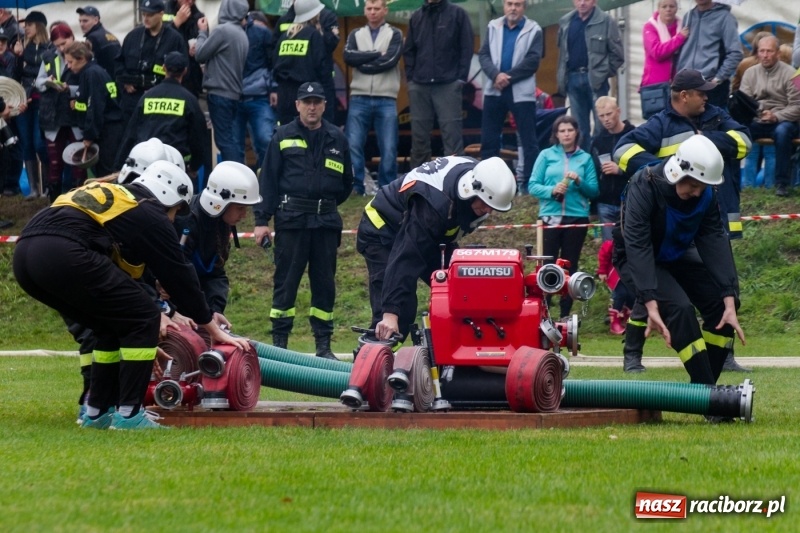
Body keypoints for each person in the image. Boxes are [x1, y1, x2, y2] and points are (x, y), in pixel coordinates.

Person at [13, 160, 249, 430]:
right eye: (175, 212)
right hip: (64, 251)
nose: (172, 219)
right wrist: (210, 326)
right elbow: (179, 275)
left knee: (107, 324)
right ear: (168, 198)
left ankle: (96, 411)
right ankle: (129, 415)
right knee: (146, 317)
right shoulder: (149, 211)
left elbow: (127, 281)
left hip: (26, 256)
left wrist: (150, 334)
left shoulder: (120, 199)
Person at [614, 68, 751, 373]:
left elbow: (715, 241)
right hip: (639, 254)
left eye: (703, 187)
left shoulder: (705, 192)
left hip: (675, 250)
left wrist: (730, 297)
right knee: (678, 308)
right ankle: (697, 386)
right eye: (692, 185)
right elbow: (637, 246)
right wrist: (649, 300)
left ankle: (711, 388)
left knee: (719, 302)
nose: (696, 192)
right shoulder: (646, 183)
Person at [357, 156, 516, 341]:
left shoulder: (481, 178)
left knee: (461, 287)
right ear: (472, 190)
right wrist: (390, 312)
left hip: (433, 234)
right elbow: (407, 256)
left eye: (493, 207)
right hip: (382, 229)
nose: (489, 211)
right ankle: (371, 362)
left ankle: (462, 353)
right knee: (399, 313)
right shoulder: (435, 204)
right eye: (486, 204)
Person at [252, 82, 352, 359]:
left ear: (324, 105)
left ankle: (324, 345)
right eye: (306, 101)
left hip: (325, 224)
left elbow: (347, 183)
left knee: (325, 285)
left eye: (316, 101)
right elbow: (268, 181)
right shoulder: (282, 136)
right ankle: (280, 345)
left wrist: (324, 205)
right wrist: (262, 220)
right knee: (286, 283)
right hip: (292, 222)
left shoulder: (337, 138)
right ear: (297, 105)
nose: (311, 106)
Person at [614, 69, 751, 241]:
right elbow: (621, 150)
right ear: (685, 96)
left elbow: (745, 142)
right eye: (701, 94)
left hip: (718, 219)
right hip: (680, 221)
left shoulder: (716, 116)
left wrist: (704, 138)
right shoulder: (660, 124)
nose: (706, 98)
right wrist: (662, 169)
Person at [528, 115, 598, 319]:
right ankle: (545, 313)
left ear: (577, 133)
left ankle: (565, 315)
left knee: (569, 265)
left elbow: (594, 191)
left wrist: (579, 181)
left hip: (577, 218)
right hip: (550, 216)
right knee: (548, 266)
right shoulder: (545, 155)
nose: (566, 134)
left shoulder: (585, 158)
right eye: (562, 130)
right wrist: (551, 190)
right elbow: (532, 185)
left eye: (570, 130)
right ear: (556, 134)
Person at [174, 161, 261, 323]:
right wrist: (203, 316)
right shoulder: (185, 223)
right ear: (221, 202)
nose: (244, 215)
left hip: (195, 304)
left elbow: (215, 273)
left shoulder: (220, 222)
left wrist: (215, 310)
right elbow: (177, 278)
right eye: (240, 208)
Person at [478, 0, 543, 195]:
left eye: (517, 4)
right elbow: (483, 55)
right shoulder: (493, 26)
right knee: (489, 139)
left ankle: (529, 187)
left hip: (521, 92)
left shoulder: (534, 29)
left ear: (524, 7)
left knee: (528, 140)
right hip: (494, 89)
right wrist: (495, 75)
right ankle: (489, 185)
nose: (513, 8)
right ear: (504, 6)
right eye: (509, 4)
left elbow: (533, 61)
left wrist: (508, 77)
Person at [403, 0, 474, 170]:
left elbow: (467, 47)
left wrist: (460, 78)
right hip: (419, 84)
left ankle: (455, 183)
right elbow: (409, 50)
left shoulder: (458, 14)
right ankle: (418, 185)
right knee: (419, 140)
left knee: (452, 139)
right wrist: (411, 79)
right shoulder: (416, 16)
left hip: (448, 84)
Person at [343, 0, 403, 195]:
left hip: (386, 97)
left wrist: (363, 60)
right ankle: (356, 186)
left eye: (377, 8)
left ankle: (387, 188)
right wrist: (377, 54)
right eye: (369, 8)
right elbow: (348, 58)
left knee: (389, 147)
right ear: (365, 10)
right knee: (353, 145)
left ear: (385, 10)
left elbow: (390, 61)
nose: (373, 12)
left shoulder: (395, 33)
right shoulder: (355, 34)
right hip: (359, 96)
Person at [115, 51, 207, 178]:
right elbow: (199, 139)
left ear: (164, 68)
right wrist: (194, 166)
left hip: (145, 167)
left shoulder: (147, 97)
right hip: (177, 167)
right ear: (185, 71)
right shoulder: (189, 100)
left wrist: (119, 165)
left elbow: (130, 134)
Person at [739, 35, 800, 198]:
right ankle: (734, 182)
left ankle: (782, 184)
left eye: (769, 51)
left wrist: (776, 116)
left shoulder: (794, 74)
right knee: (737, 132)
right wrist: (759, 113)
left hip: (784, 120)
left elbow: (797, 105)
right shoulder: (749, 73)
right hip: (758, 119)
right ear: (757, 53)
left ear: (778, 53)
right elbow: (744, 102)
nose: (765, 55)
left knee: (783, 133)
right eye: (762, 51)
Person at [556, 0, 624, 144]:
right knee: (579, 129)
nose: (582, 3)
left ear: (594, 1)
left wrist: (603, 73)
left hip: (596, 80)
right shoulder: (566, 21)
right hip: (573, 78)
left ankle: (601, 162)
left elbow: (617, 55)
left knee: (602, 126)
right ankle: (585, 163)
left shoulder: (606, 21)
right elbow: (562, 55)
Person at [115, 0, 187, 129]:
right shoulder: (133, 36)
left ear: (161, 14)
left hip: (161, 100)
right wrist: (125, 81)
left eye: (150, 15)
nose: (146, 18)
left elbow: (184, 69)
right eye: (144, 15)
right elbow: (119, 63)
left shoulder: (174, 39)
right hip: (132, 99)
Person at [194, 0, 249, 164]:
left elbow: (200, 54)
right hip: (233, 94)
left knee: (224, 141)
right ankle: (240, 173)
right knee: (231, 140)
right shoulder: (241, 34)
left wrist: (202, 33)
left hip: (219, 94)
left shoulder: (222, 31)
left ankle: (234, 179)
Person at [36, 23, 86, 202]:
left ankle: (79, 203)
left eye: (64, 43)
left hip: (75, 116)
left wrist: (69, 89)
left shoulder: (82, 53)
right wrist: (47, 82)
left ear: (72, 37)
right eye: (57, 45)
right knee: (54, 162)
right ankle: (55, 204)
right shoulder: (49, 56)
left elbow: (88, 84)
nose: (61, 48)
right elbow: (38, 82)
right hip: (53, 116)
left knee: (79, 162)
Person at [273, 0, 340, 124]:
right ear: (315, 14)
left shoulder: (285, 37)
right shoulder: (314, 36)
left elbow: (275, 62)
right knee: (313, 135)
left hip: (284, 93)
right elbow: (322, 68)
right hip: (308, 93)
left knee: (286, 134)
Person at [65, 42, 123, 178]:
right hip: (107, 128)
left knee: (106, 173)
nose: (68, 66)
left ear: (82, 58)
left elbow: (95, 107)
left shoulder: (92, 74)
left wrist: (89, 135)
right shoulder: (93, 71)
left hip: (108, 130)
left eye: (70, 62)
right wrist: (78, 103)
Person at [675, 0, 742, 110]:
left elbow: (735, 52)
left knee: (712, 125)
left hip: (711, 86)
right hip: (686, 84)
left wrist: (718, 78)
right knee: (686, 126)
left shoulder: (725, 17)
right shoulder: (689, 16)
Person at [14, 10, 52, 200]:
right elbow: (15, 76)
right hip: (23, 101)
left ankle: (47, 186)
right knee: (27, 143)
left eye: (29, 24)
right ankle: (34, 189)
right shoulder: (22, 48)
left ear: (39, 25)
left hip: (41, 102)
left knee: (40, 144)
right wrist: (18, 56)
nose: (25, 28)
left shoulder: (50, 48)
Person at [590, 96, 634, 242]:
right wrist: (593, 207)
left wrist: (620, 170)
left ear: (618, 111)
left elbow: (644, 166)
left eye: (609, 114)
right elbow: (594, 174)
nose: (606, 119)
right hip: (605, 202)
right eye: (601, 116)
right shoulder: (598, 141)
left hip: (630, 201)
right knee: (609, 249)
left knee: (631, 245)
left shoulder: (634, 135)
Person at [239, 10, 277, 170]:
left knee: (266, 140)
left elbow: (274, 62)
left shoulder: (263, 33)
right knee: (234, 148)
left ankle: (267, 181)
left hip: (259, 96)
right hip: (232, 97)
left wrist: (274, 88)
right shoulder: (223, 31)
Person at [641, 0, 687, 88]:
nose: (668, 9)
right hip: (654, 84)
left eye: (671, 6)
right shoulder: (650, 27)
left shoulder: (683, 26)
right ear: (658, 9)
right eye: (664, 6)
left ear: (677, 8)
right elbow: (657, 52)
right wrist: (679, 38)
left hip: (678, 84)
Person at [163, 0, 205, 97]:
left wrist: (198, 46)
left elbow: (204, 43)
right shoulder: (164, 11)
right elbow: (161, 39)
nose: (190, 2)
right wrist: (176, 23)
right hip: (168, 74)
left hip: (190, 78)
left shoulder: (198, 15)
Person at [75, 6, 120, 78]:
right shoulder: (108, 34)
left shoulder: (93, 38)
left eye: (85, 21)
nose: (81, 24)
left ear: (96, 20)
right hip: (116, 77)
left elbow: (89, 63)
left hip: (106, 78)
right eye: (80, 21)